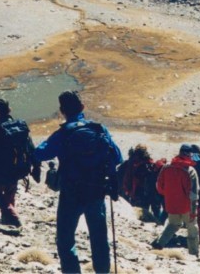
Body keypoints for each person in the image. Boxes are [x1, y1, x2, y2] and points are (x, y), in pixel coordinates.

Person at [33, 91, 123, 274]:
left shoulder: (63, 133)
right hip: (96, 192)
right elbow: (117, 157)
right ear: (82, 107)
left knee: (65, 240)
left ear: (62, 111)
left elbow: (39, 154)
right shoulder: (99, 130)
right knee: (99, 239)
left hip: (71, 194)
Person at [0, 98, 40, 226]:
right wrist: (36, 166)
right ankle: (7, 220)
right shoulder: (21, 126)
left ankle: (13, 215)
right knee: (10, 194)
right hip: (18, 169)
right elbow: (30, 147)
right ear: (9, 109)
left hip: (0, 171)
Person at [153, 144, 199, 256]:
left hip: (171, 204)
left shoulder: (166, 167)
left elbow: (159, 187)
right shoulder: (190, 170)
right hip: (187, 206)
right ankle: (193, 252)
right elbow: (193, 193)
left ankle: (160, 243)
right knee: (192, 228)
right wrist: (194, 208)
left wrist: (170, 195)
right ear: (189, 154)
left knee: (173, 224)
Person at [118, 144, 166, 223]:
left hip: (136, 193)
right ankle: (159, 224)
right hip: (150, 192)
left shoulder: (129, 164)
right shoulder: (149, 164)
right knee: (154, 211)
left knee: (139, 212)